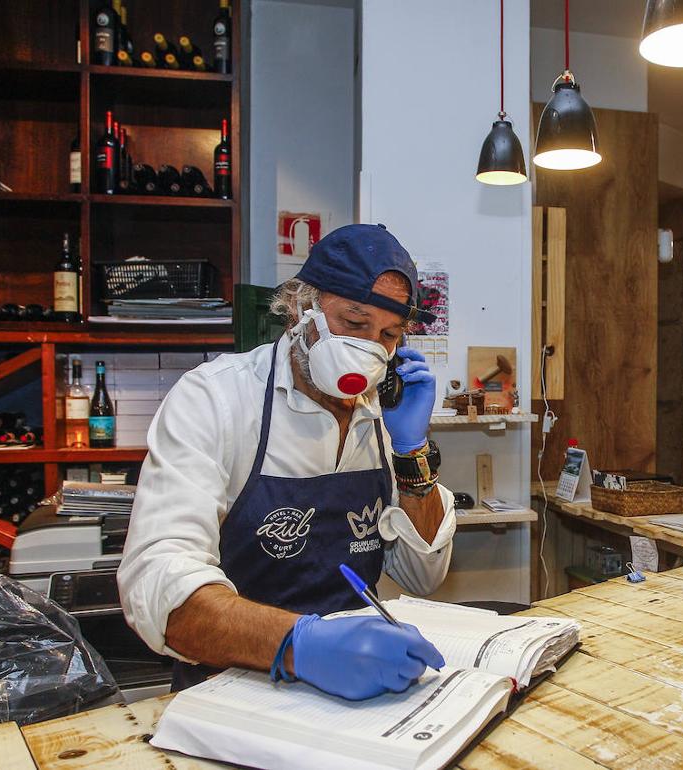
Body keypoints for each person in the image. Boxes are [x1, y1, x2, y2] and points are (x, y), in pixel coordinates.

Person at [118, 224, 456, 697]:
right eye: (354, 325)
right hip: (229, 684)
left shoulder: (385, 411)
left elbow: (423, 576)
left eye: (388, 334)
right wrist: (301, 644)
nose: (369, 349)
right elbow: (157, 584)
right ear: (301, 308)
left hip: (356, 683)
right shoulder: (215, 398)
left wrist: (411, 451)